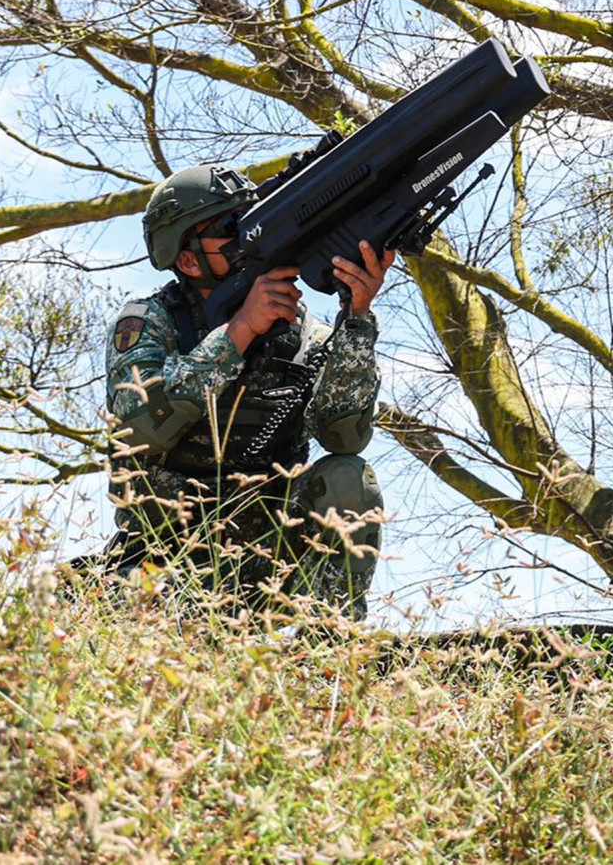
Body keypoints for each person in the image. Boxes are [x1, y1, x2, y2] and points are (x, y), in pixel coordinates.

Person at [103, 163, 395, 619]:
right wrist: (239, 332)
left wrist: (356, 317)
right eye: (227, 228)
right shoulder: (150, 321)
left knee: (348, 475)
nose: (248, 236)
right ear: (187, 259)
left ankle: (328, 650)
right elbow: (142, 428)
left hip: (271, 561)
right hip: (162, 560)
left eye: (250, 218)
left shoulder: (302, 336)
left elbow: (346, 438)